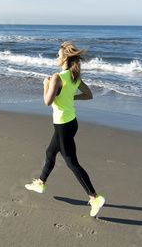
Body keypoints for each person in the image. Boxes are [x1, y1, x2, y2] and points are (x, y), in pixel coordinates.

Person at [25, 41, 105, 217]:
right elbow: (88, 95)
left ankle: (94, 197)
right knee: (50, 152)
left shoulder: (57, 77)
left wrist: (45, 84)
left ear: (66, 57)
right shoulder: (74, 76)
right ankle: (40, 183)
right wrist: (70, 99)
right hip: (71, 123)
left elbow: (47, 102)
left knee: (71, 162)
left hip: (62, 124)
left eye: (58, 55)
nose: (56, 57)